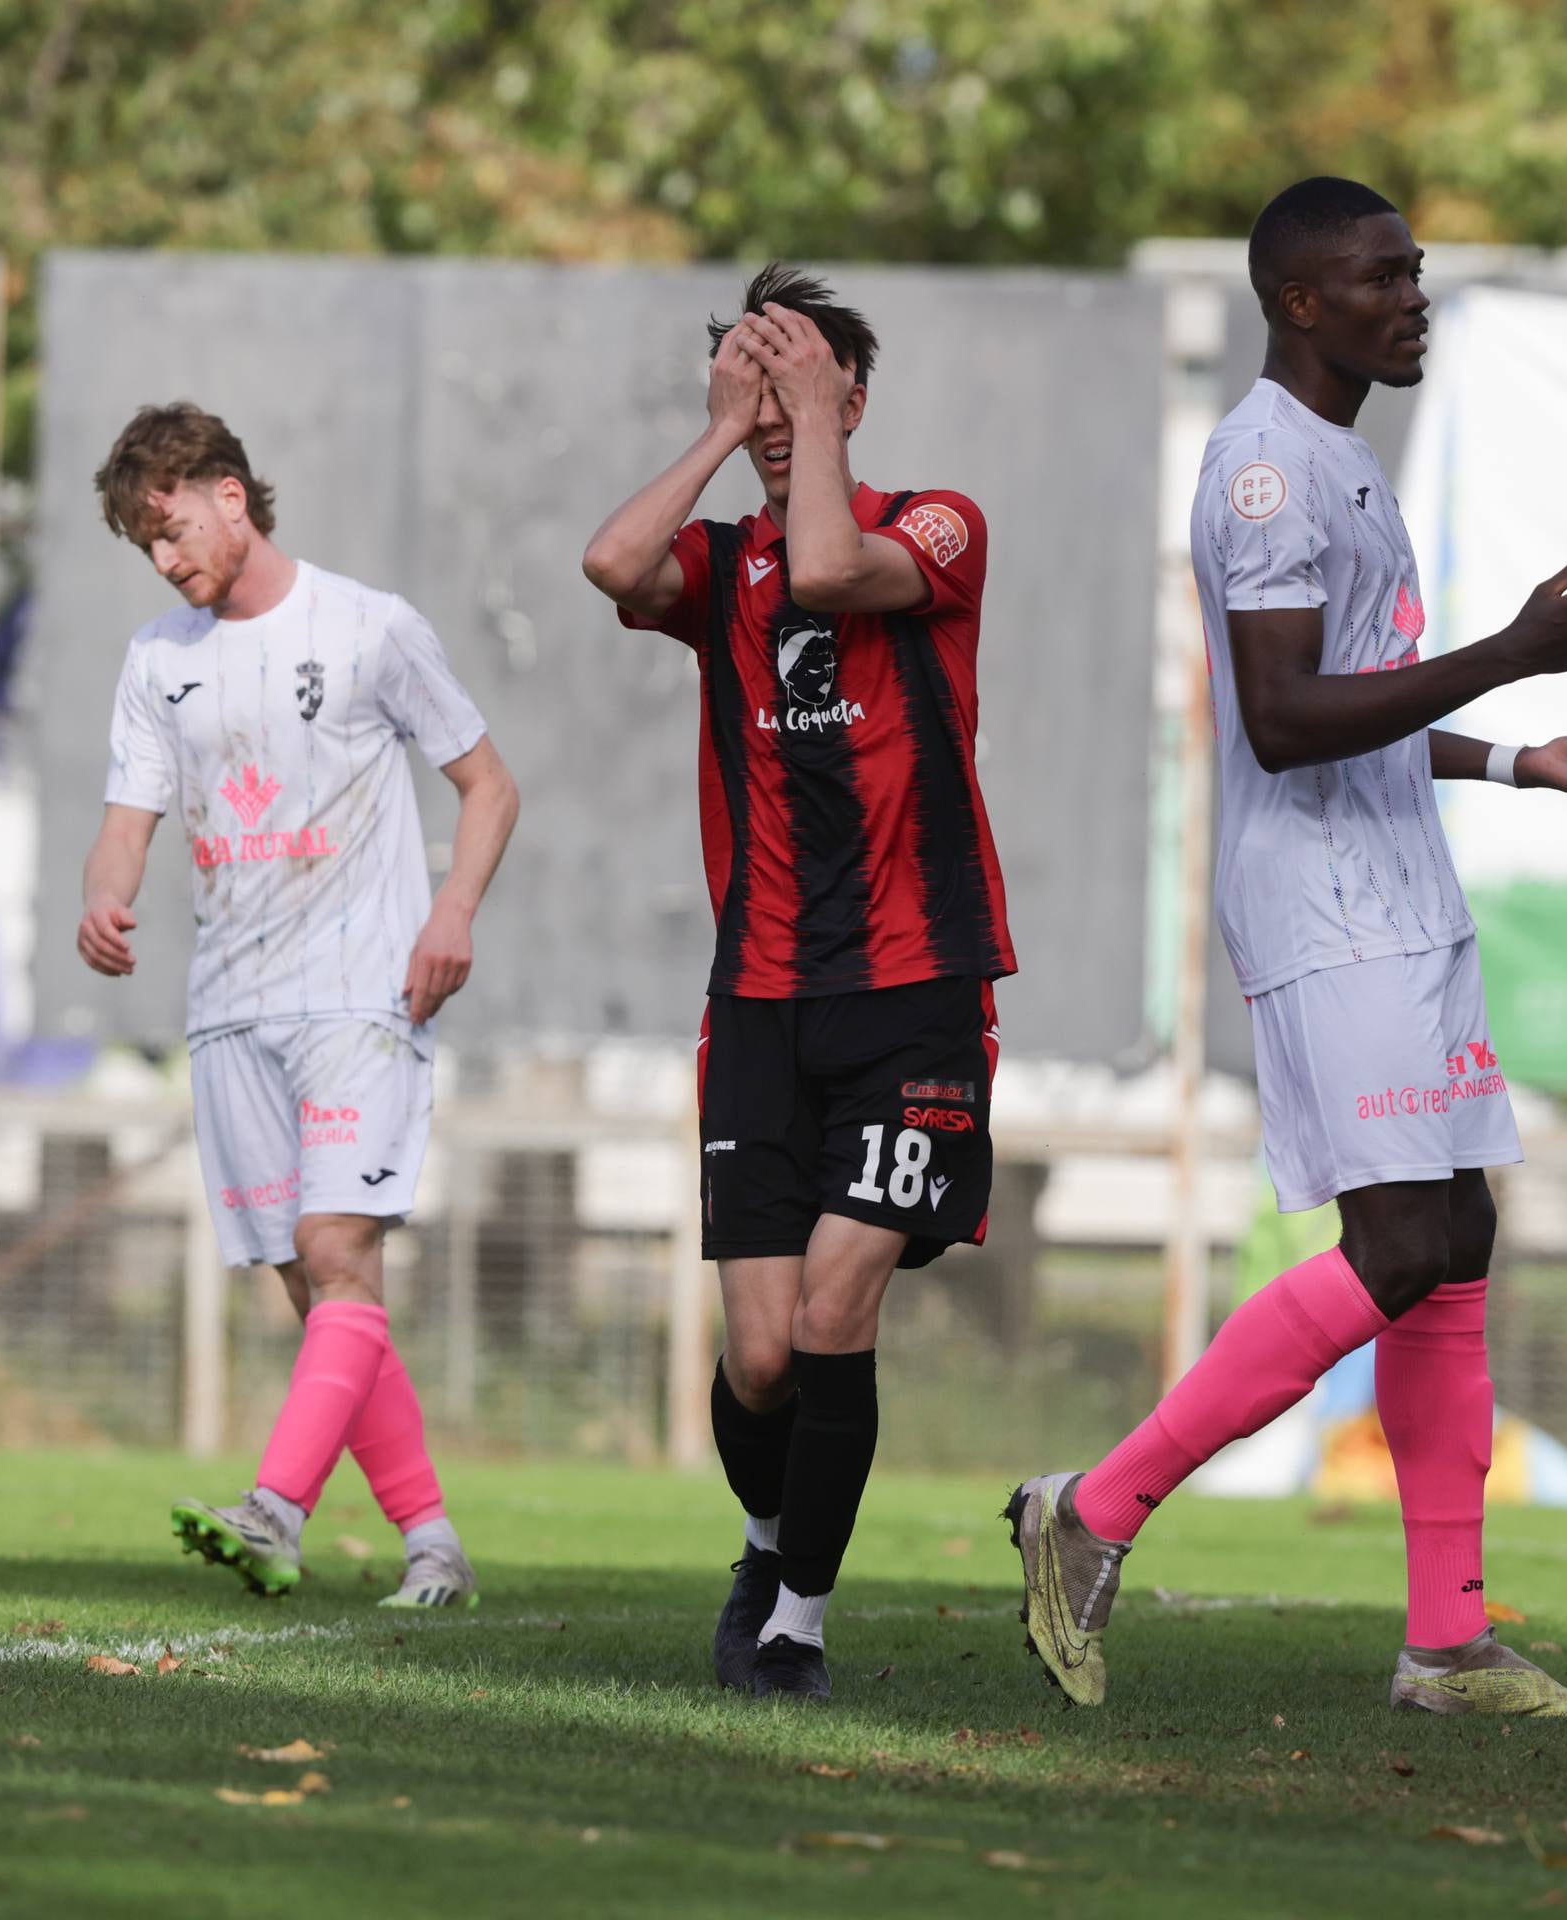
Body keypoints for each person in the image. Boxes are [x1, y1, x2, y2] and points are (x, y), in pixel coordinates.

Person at [1006, 177, 1567, 1717]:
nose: (1410, 297)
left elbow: (1357, 708)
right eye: (1381, 277)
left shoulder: (1342, 461)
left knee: (1459, 1247)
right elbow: (1284, 723)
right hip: (1318, 903)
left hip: (1402, 894)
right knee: (1400, 1247)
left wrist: (1514, 757)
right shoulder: (1257, 472)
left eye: (1414, 272)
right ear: (1299, 302)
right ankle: (1090, 1513)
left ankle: (1448, 1646)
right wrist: (1506, 649)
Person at [580, 266, 1015, 1702]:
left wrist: (809, 421)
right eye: (751, 387)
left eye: (805, 386)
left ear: (855, 397)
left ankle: (799, 1628)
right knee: (761, 1355)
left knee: (837, 1314)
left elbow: (831, 566)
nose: (777, 413)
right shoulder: (720, 571)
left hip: (914, 995)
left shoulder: (934, 524)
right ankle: (765, 1548)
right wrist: (721, 432)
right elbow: (608, 564)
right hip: (757, 1002)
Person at [77, 403, 520, 1609]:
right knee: (317, 1289)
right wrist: (103, 903)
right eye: (145, 547)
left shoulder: (371, 630)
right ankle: (433, 1545)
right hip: (230, 1008)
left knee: (337, 1253)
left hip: (360, 994)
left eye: (170, 529)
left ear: (229, 493)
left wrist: (452, 913)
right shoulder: (159, 662)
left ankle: (274, 1511)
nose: (166, 561)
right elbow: (129, 822)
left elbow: (487, 786)